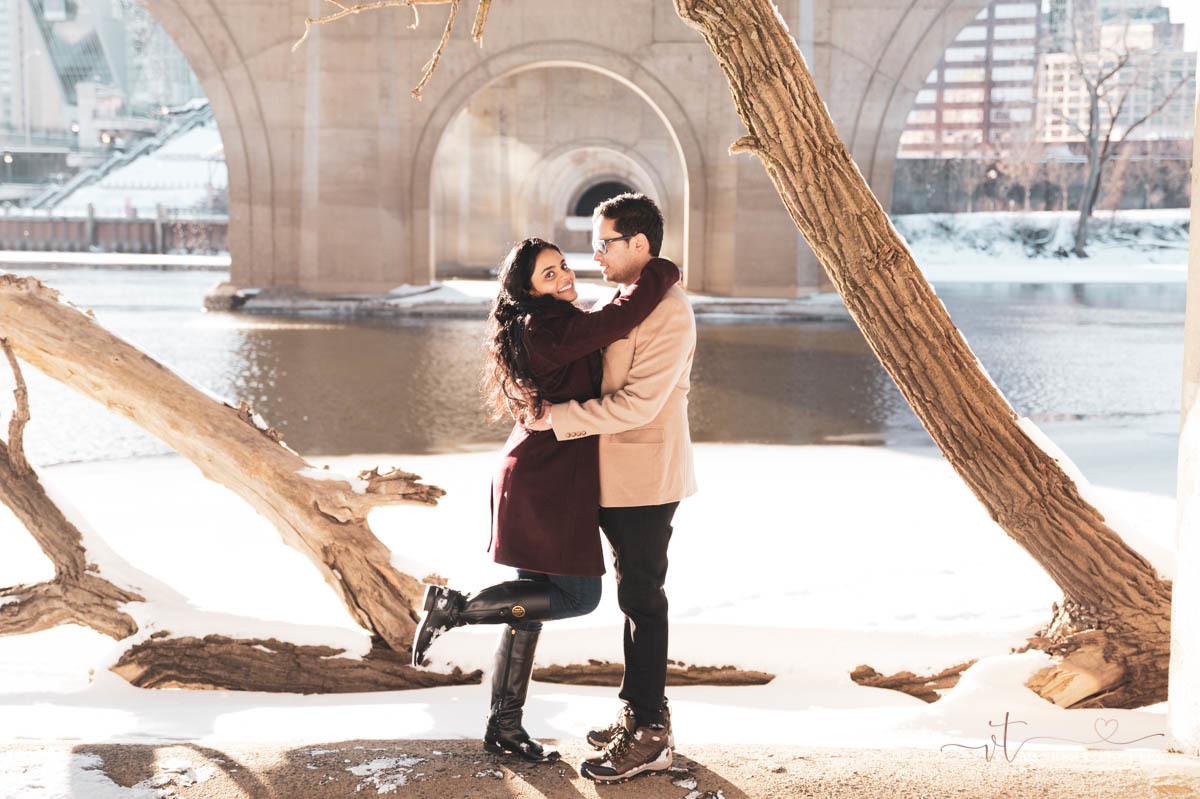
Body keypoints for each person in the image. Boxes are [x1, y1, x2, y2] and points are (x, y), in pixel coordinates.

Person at [410, 236, 680, 764]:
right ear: (526, 290)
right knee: (579, 598)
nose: (565, 278)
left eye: (562, 267)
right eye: (549, 275)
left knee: (526, 606)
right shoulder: (551, 328)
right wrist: (660, 269)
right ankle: (456, 609)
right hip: (545, 479)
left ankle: (504, 727)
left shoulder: (545, 322)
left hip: (537, 471)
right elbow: (623, 315)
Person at [530, 193, 697, 783]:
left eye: (605, 243)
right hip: (606, 474)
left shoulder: (670, 312)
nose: (594, 252)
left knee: (642, 602)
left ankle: (649, 731)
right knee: (631, 601)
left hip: (646, 478)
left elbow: (638, 403)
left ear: (639, 245)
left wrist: (559, 419)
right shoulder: (621, 299)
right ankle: (642, 715)